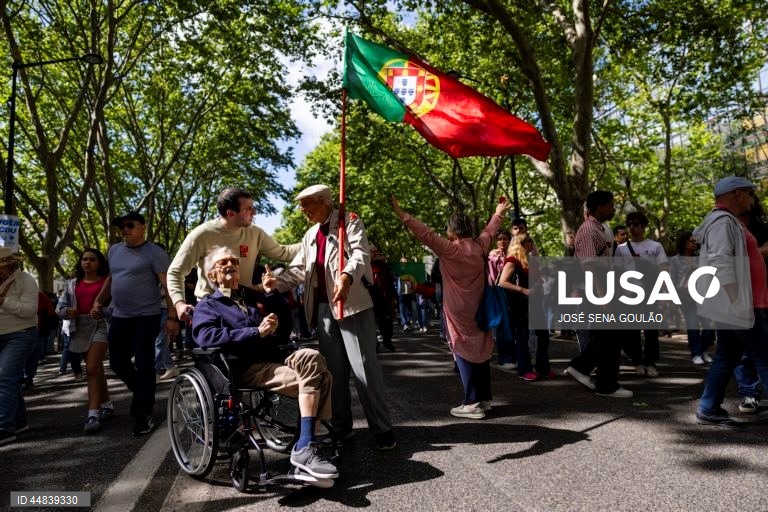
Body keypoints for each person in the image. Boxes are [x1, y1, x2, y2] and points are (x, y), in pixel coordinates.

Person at [264, 184, 396, 450]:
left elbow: (361, 254)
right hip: (324, 311)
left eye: (307, 205)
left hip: (353, 305)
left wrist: (346, 276)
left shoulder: (350, 221)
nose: (302, 211)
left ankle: (382, 430)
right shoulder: (310, 234)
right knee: (333, 374)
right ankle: (340, 428)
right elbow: (299, 271)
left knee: (365, 370)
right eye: (301, 206)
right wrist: (274, 282)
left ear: (324, 201)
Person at [192, 246, 338, 481]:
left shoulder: (251, 295)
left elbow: (285, 328)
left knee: (313, 358)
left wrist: (272, 295)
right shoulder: (208, 304)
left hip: (274, 355)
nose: (230, 264)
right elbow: (205, 337)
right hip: (244, 365)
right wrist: (254, 332)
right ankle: (305, 445)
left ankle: (304, 446)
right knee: (321, 380)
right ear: (212, 275)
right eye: (223, 262)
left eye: (234, 261)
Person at [392, 194, 511, 419]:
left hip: (457, 308)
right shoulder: (480, 246)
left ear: (451, 231)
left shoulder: (448, 248)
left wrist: (403, 215)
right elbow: (492, 228)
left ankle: (472, 402)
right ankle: (485, 399)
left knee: (462, 349)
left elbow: (424, 233)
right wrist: (499, 210)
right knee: (482, 348)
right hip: (480, 305)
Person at [693, 177, 768, 428]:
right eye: (749, 193)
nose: (752, 199)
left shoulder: (729, 222)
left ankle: (709, 407)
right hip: (740, 304)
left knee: (727, 355)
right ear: (737, 194)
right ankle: (708, 407)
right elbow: (720, 262)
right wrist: (736, 299)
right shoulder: (722, 222)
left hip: (741, 302)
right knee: (763, 354)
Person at [95, 211, 178, 436]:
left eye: (130, 225)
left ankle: (144, 413)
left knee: (144, 362)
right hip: (120, 316)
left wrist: (172, 316)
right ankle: (141, 393)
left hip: (147, 315)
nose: (125, 230)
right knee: (117, 362)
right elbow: (112, 279)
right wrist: (98, 301)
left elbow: (168, 285)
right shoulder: (114, 250)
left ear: (143, 227)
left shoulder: (155, 252)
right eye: (122, 226)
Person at [166, 188, 300, 323]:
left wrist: (313, 239)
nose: (254, 212)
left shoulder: (255, 232)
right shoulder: (201, 235)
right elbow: (175, 272)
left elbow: (284, 253)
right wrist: (179, 304)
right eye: (248, 209)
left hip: (244, 306)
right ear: (230, 213)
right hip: (210, 310)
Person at [564, 190, 633, 398]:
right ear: (600, 207)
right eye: (611, 205)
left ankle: (582, 367)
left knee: (605, 334)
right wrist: (602, 294)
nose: (613, 209)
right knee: (610, 335)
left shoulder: (601, 229)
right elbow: (589, 267)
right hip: (595, 289)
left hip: (603, 287)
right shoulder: (587, 231)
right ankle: (606, 385)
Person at [56, 248, 114, 433]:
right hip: (78, 327)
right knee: (96, 369)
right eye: (84, 259)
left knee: (90, 368)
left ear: (99, 263)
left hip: (100, 325)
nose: (87, 262)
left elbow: (117, 306)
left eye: (92, 259)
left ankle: (93, 413)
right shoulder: (73, 284)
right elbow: (61, 307)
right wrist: (67, 312)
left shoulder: (108, 282)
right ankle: (107, 405)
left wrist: (103, 311)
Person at [613, 211, 668, 377]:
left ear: (644, 226)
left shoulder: (655, 246)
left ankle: (650, 363)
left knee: (651, 330)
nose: (632, 228)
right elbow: (616, 272)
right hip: (630, 295)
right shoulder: (621, 249)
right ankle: (637, 361)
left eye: (636, 224)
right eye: (630, 225)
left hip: (651, 293)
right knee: (632, 331)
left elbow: (663, 270)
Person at [499, 233, 552, 381]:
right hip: (519, 303)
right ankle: (524, 369)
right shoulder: (512, 261)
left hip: (535, 301)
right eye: (528, 241)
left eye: (531, 240)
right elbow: (503, 282)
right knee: (522, 335)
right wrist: (524, 290)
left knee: (543, 334)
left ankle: (543, 367)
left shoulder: (531, 261)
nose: (531, 243)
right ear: (520, 244)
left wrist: (540, 286)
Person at [0, 248, 38, 445]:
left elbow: (29, 311)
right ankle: (20, 421)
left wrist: (4, 301)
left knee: (5, 376)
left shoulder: (26, 280)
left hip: (21, 334)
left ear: (9, 265)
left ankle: (4, 427)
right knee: (8, 379)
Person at [670, 231, 714, 365]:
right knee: (693, 325)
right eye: (691, 241)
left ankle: (702, 350)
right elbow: (672, 278)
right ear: (684, 243)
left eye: (695, 242)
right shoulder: (675, 260)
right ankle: (696, 354)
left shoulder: (701, 258)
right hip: (686, 296)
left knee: (709, 328)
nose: (694, 244)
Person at [370, 244, 397, 351]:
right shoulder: (366, 265)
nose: (376, 254)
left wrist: (393, 296)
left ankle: (387, 340)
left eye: (377, 252)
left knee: (387, 321)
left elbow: (390, 281)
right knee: (371, 322)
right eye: (373, 252)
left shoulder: (384, 265)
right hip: (371, 298)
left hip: (385, 297)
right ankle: (374, 343)